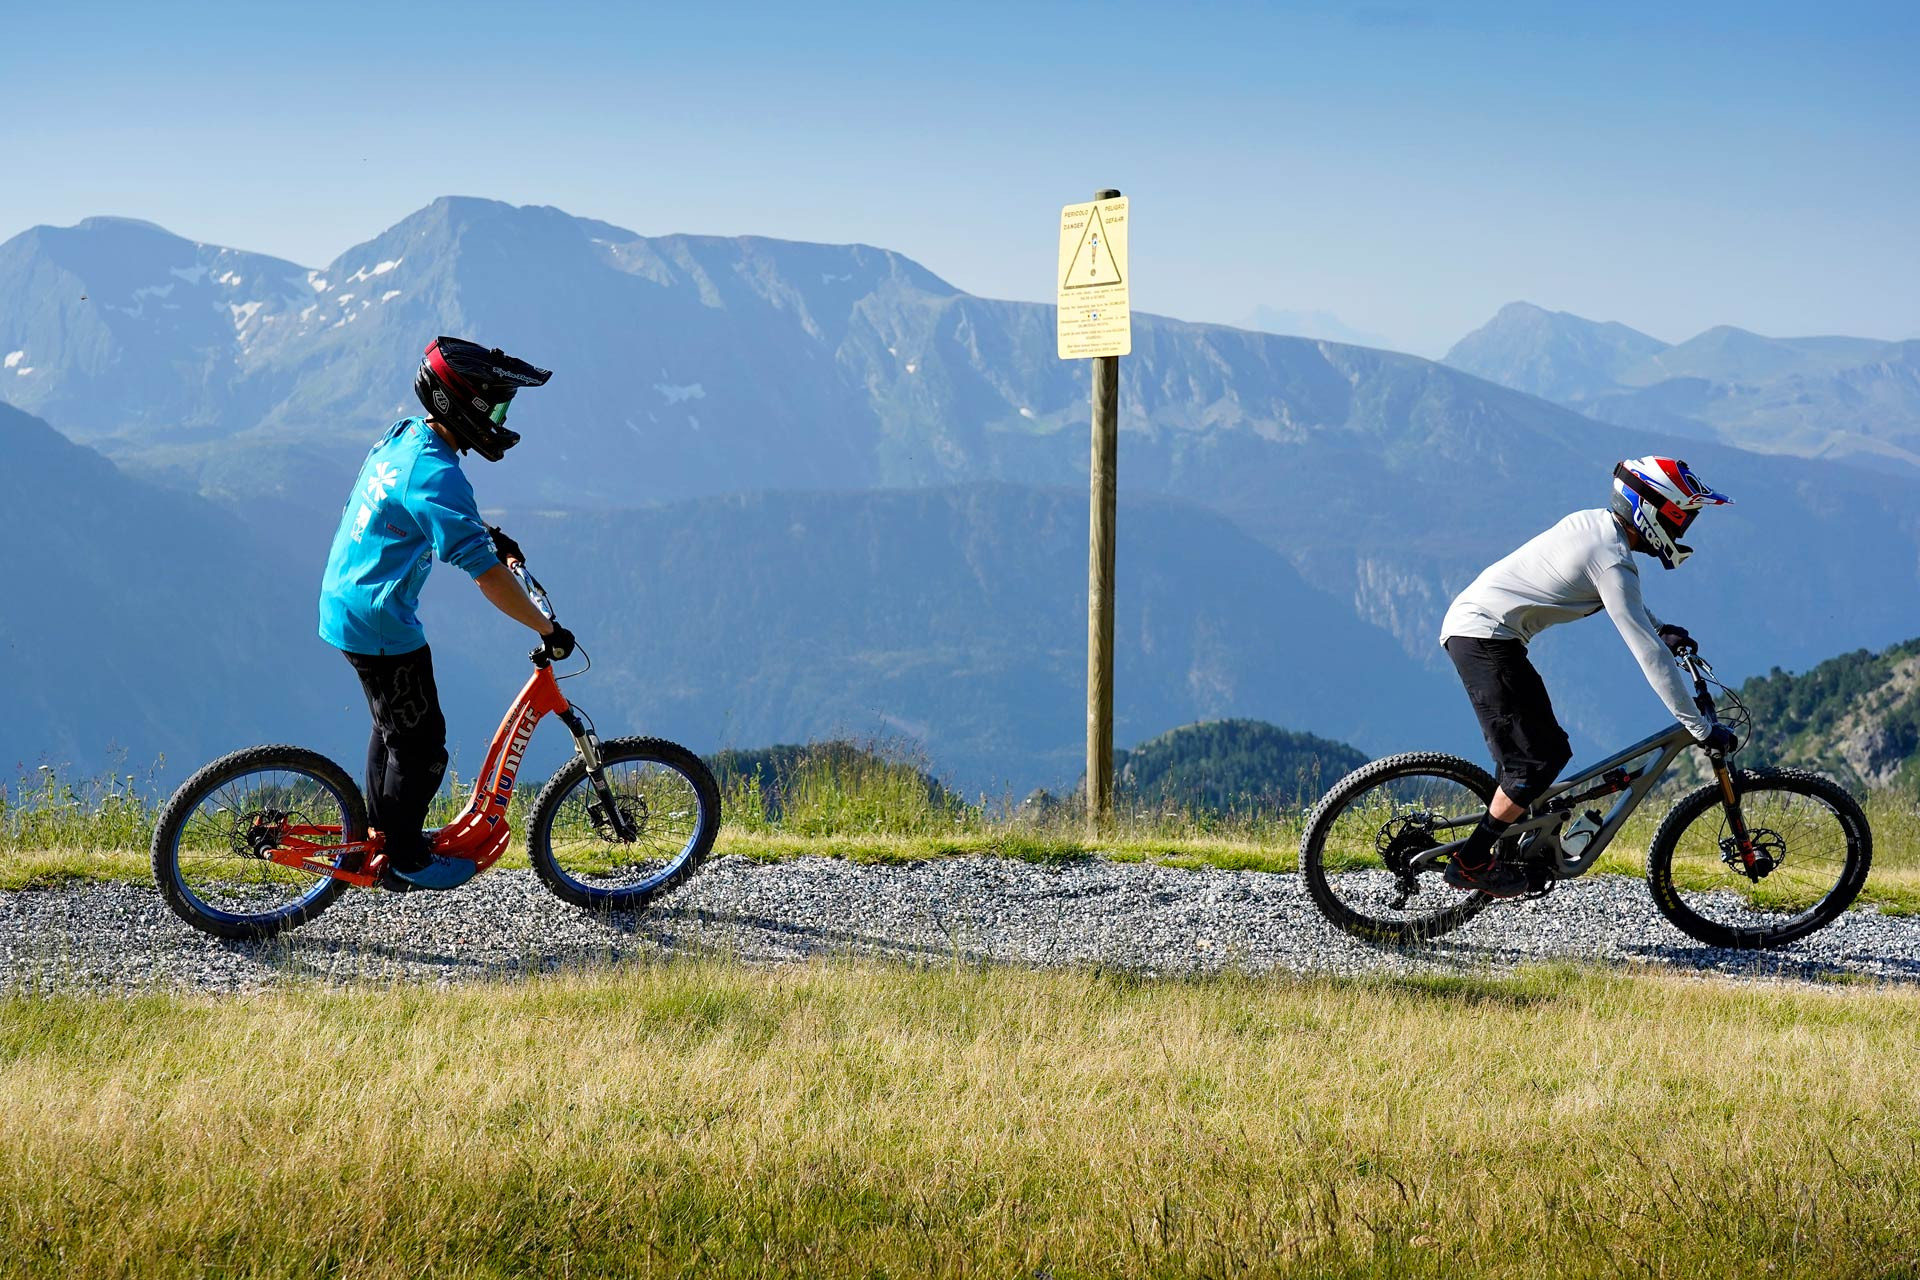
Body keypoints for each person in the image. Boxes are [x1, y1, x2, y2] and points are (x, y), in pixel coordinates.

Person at [317, 336, 574, 890]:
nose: (500, 420)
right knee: (423, 748)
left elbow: (425, 511)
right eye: (496, 407)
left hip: (346, 599)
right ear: (465, 404)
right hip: (380, 621)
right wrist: (546, 628)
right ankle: (405, 859)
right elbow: (488, 577)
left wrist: (487, 534)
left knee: (393, 728)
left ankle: (378, 836)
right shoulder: (437, 473)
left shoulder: (407, 435)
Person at [1437, 456, 1739, 898]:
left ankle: (1512, 847)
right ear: (1653, 512)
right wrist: (1697, 726)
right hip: (1484, 636)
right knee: (1538, 759)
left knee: (1536, 756)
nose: (1683, 530)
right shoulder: (1612, 558)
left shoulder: (1599, 527)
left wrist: (1661, 628)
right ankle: (1471, 861)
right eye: (1681, 519)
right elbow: (1648, 653)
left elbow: (1623, 601)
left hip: (1481, 630)